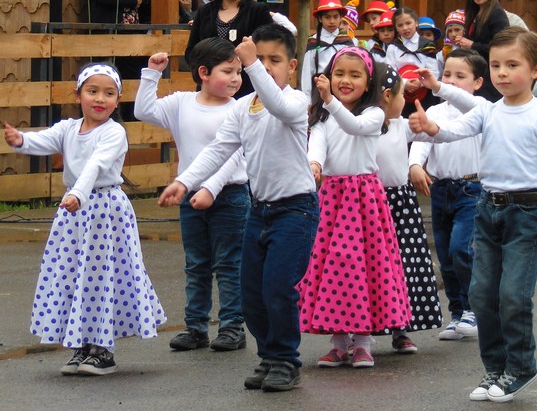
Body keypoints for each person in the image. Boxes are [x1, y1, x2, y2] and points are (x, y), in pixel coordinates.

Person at [409, 27, 537, 403]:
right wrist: (432, 126)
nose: (502, 73)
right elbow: (452, 129)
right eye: (497, 65)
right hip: (488, 209)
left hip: (527, 212)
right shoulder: (488, 111)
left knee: (513, 294)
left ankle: (521, 366)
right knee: (482, 294)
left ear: (536, 70)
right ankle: (495, 370)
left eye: (512, 65)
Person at [159, 24, 318, 393]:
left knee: (278, 287)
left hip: (296, 210)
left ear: (292, 66)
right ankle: (270, 356)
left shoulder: (296, 102)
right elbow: (219, 149)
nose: (265, 66)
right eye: (259, 58)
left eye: (274, 60)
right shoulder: (244, 108)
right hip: (260, 211)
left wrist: (252, 65)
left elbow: (276, 104)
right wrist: (185, 181)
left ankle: (286, 360)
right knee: (251, 292)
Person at [4, 63, 166, 376]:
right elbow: (44, 140)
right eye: (93, 91)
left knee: (102, 275)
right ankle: (83, 343)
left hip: (104, 210)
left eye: (109, 93)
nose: (100, 99)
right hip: (74, 212)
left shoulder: (114, 132)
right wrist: (21, 140)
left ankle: (104, 350)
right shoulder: (68, 128)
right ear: (78, 95)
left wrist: (78, 194)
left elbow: (96, 165)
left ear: (117, 101)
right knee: (75, 274)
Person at [134, 39, 249, 353]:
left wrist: (212, 189)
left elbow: (237, 155)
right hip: (190, 195)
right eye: (228, 71)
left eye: (238, 72)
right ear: (203, 73)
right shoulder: (182, 102)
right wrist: (152, 74)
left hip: (231, 195)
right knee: (197, 264)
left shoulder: (240, 109)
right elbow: (143, 110)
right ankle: (196, 327)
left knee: (229, 264)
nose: (236, 78)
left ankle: (232, 327)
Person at [300, 47, 411, 369]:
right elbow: (317, 143)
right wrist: (315, 163)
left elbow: (354, 127)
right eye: (339, 74)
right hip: (332, 196)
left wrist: (329, 100)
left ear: (368, 82)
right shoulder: (323, 117)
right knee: (333, 268)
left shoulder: (374, 114)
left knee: (365, 266)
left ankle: (362, 343)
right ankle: (338, 343)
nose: (345, 80)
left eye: (354, 75)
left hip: (364, 198)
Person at [409, 48, 486, 341]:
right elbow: (421, 141)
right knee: (445, 256)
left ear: (477, 83)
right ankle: (457, 313)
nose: (451, 81)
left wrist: (441, 87)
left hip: (471, 190)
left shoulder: (480, 109)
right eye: (447, 74)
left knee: (461, 249)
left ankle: (474, 309)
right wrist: (415, 164)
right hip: (441, 190)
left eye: (460, 76)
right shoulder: (434, 112)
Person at [373, 62, 442, 353]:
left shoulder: (402, 126)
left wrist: (425, 125)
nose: (404, 101)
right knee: (372, 267)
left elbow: (432, 135)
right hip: (370, 203)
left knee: (405, 266)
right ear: (387, 96)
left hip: (401, 204)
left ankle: (401, 328)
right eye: (401, 94)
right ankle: (358, 330)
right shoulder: (359, 125)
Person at [185, 0, 296, 97]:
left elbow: (267, 46)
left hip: (247, 85)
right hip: (210, 85)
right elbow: (191, 50)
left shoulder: (258, 10)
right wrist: (209, 67)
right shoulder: (204, 11)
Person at [459, 0, 510, 101]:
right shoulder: (474, 13)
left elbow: (502, 47)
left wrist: (472, 45)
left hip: (490, 75)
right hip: (475, 71)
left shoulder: (497, 14)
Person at [384, 7, 439, 115]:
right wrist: (404, 83)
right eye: (400, 25)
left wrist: (421, 82)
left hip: (425, 93)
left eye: (408, 23)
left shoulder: (427, 45)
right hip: (401, 94)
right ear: (396, 28)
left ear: (416, 23)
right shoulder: (393, 48)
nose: (405, 28)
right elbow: (389, 72)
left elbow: (434, 72)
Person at [300, 0, 353, 98]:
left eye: (335, 17)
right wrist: (307, 99)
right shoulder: (313, 41)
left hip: (342, 88)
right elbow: (307, 72)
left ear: (341, 18)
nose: (332, 21)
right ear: (320, 19)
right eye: (327, 17)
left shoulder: (346, 41)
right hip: (319, 89)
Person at [436, 10, 467, 76]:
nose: (453, 34)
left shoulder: (473, 48)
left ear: (465, 30)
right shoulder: (443, 53)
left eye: (457, 30)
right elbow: (438, 76)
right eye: (450, 31)